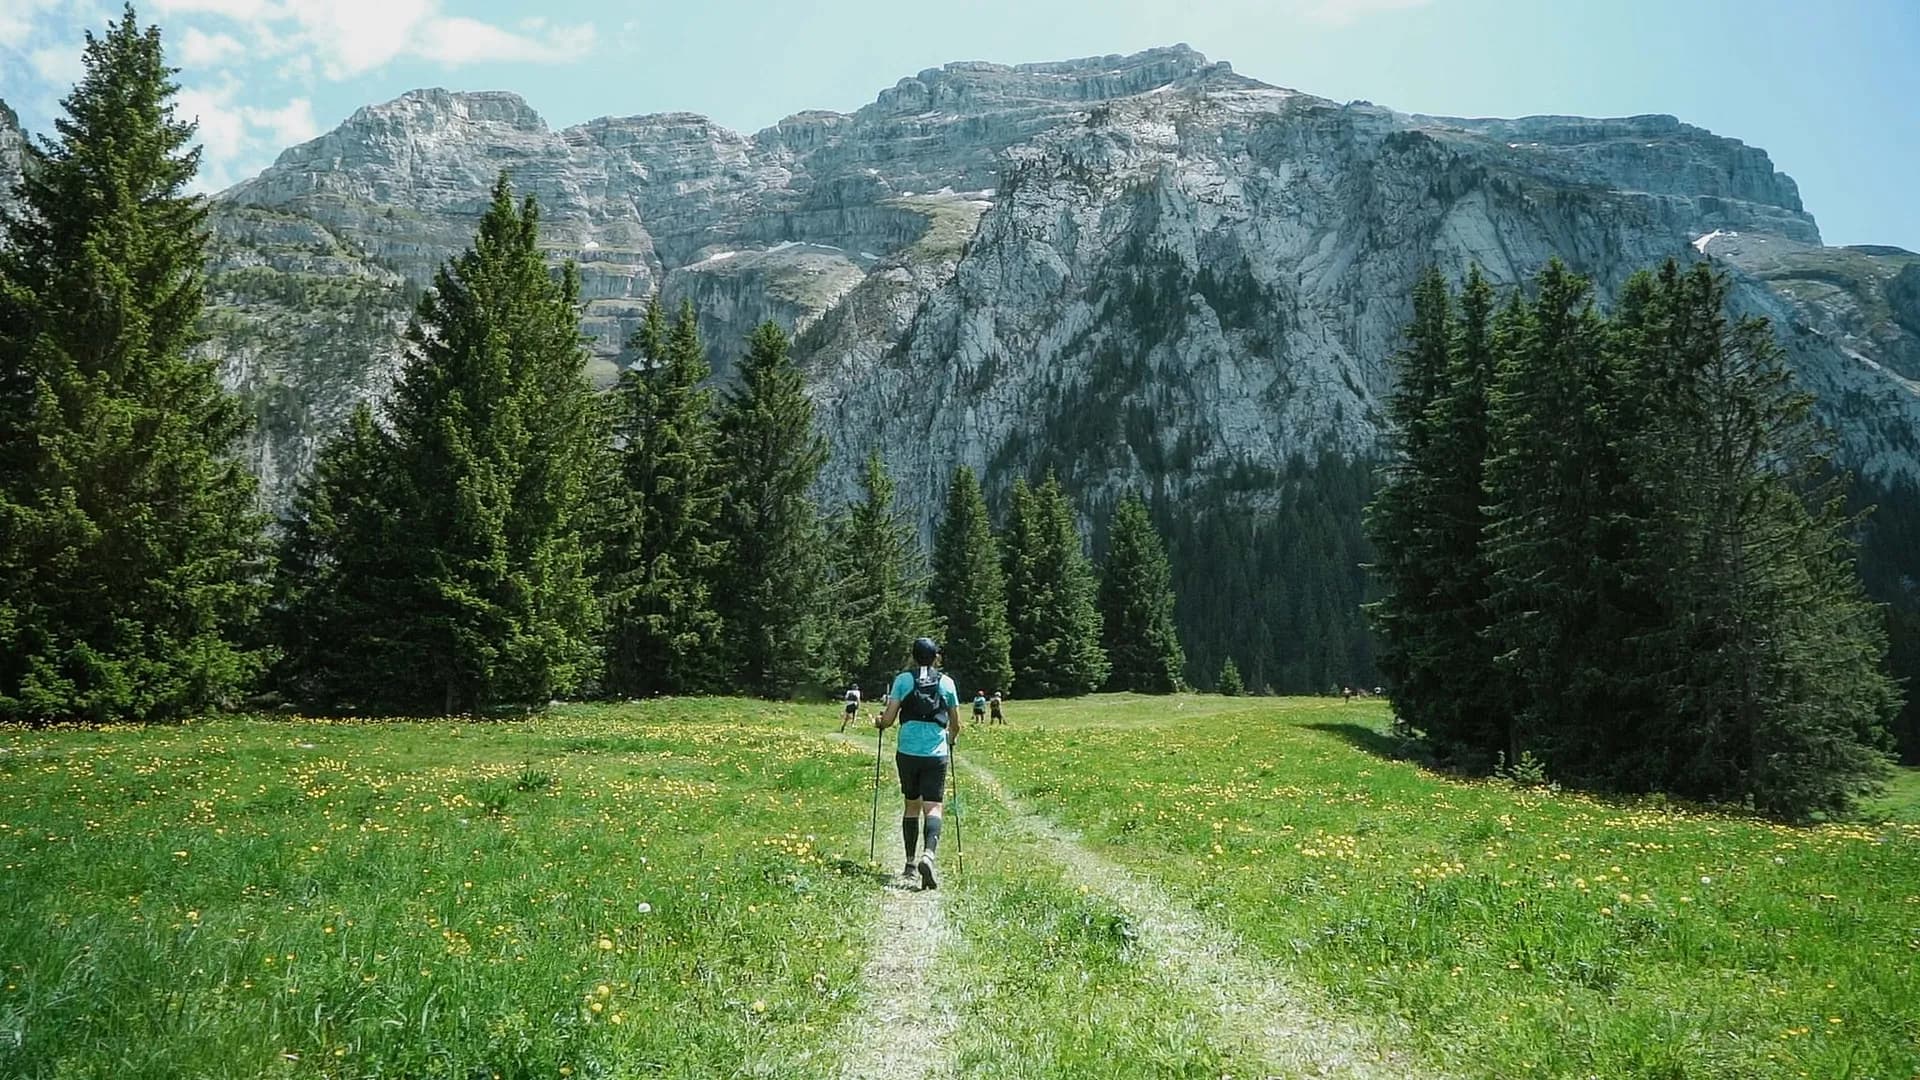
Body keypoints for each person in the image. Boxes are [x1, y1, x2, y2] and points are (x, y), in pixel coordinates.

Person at [875, 636, 960, 889]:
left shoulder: (903, 680)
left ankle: (910, 864)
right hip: (935, 753)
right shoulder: (946, 683)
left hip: (908, 752)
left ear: (913, 657)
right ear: (936, 657)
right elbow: (956, 724)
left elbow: (888, 720)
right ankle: (928, 855)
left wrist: (878, 723)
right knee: (933, 807)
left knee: (912, 806)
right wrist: (951, 739)